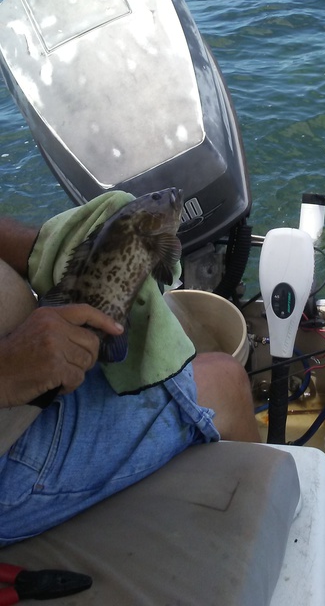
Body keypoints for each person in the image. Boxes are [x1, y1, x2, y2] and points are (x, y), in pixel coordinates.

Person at [0, 214, 260, 547]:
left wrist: (44, 246)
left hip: (28, 368)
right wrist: (8, 369)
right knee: (227, 380)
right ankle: (271, 523)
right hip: (12, 447)